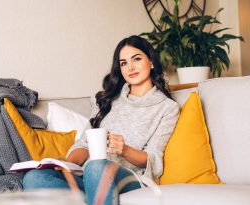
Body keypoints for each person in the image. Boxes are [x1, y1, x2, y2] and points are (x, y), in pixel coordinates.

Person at [22, 35, 180, 205]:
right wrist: (68, 163)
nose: (130, 67)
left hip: (129, 178)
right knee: (34, 177)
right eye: (123, 63)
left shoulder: (167, 107)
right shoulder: (107, 100)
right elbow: (84, 145)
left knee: (96, 167)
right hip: (88, 176)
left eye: (137, 59)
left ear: (151, 62)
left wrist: (124, 150)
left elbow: (154, 159)